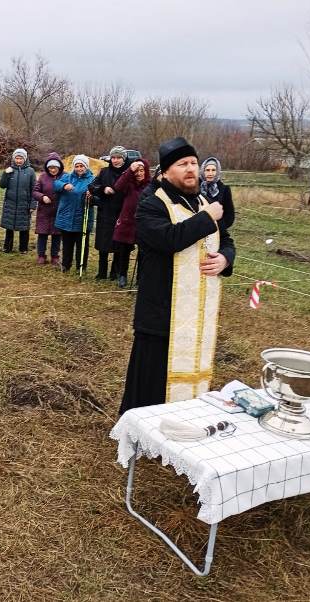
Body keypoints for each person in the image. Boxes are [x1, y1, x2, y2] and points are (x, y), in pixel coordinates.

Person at [119, 137, 235, 414]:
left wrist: (225, 259)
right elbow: (169, 239)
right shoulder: (151, 203)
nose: (191, 169)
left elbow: (226, 239)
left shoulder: (203, 201)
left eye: (194, 163)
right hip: (161, 310)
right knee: (151, 379)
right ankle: (140, 431)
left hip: (196, 312)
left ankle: (184, 421)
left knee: (192, 370)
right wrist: (207, 218)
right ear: (166, 171)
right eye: (182, 164)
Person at [89, 146, 130, 281]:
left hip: (122, 213)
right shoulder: (104, 172)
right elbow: (92, 186)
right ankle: (102, 272)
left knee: (120, 244)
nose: (116, 160)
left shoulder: (129, 173)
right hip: (105, 212)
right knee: (103, 243)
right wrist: (103, 188)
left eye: (118, 158)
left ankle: (115, 272)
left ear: (124, 159)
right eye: (113, 157)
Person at [111, 158, 151, 288]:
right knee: (124, 250)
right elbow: (117, 186)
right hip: (127, 221)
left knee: (143, 252)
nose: (139, 173)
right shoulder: (129, 184)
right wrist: (129, 170)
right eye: (136, 171)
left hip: (143, 223)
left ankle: (141, 278)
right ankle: (122, 275)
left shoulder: (150, 186)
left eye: (141, 170)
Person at [54, 155, 94, 272]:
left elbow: (97, 193)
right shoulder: (67, 177)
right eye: (77, 166)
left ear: (86, 167)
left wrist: (91, 195)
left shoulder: (92, 179)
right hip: (66, 217)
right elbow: (55, 184)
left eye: (81, 166)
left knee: (82, 245)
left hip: (82, 217)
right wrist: (64, 185)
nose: (79, 168)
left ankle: (81, 266)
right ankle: (66, 264)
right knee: (67, 243)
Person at [0, 148, 36, 253]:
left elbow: (34, 189)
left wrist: (33, 205)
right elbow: (2, 185)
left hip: (24, 204)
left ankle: (23, 248)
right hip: (10, 203)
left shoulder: (30, 172)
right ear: (13, 158)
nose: (18, 160)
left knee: (24, 227)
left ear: (25, 159)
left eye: (21, 158)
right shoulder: (10, 170)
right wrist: (5, 174)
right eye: (17, 158)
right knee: (9, 226)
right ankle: (7, 247)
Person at [32, 152, 64, 266]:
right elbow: (35, 192)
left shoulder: (65, 176)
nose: (52, 170)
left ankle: (55, 256)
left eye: (55, 168)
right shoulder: (42, 177)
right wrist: (42, 197)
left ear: (59, 167)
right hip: (44, 211)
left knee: (57, 235)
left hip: (59, 211)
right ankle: (41, 255)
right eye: (50, 167)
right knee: (42, 234)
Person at [200, 156, 235, 229]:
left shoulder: (224, 189)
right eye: (207, 170)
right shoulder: (195, 187)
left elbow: (229, 215)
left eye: (213, 170)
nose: (210, 173)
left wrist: (219, 228)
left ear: (217, 171)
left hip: (216, 230)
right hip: (197, 228)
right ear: (203, 171)